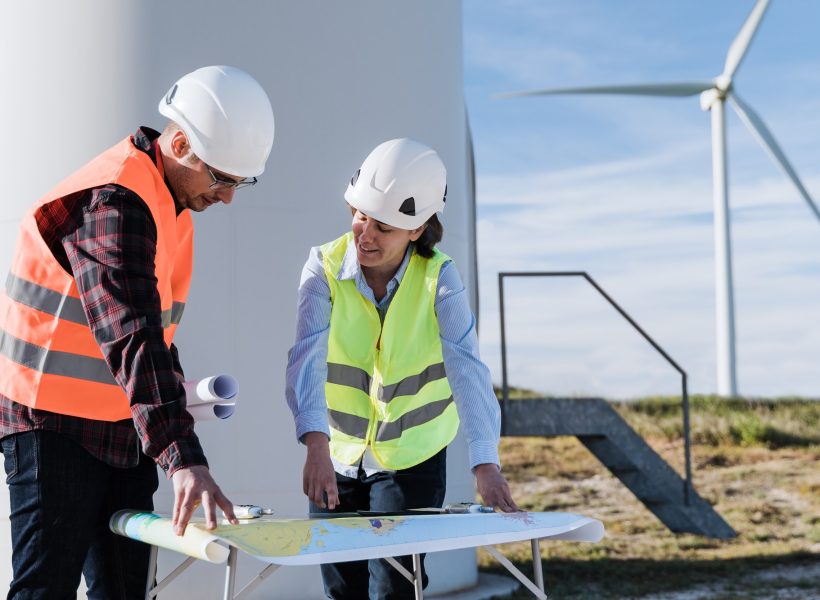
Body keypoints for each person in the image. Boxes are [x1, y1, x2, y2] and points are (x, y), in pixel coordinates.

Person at [0, 65, 275, 599]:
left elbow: (158, 337)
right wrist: (183, 455)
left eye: (240, 183)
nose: (228, 198)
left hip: (120, 429)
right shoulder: (114, 201)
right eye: (222, 179)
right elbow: (131, 333)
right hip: (50, 426)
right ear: (179, 143)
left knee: (126, 590)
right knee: (44, 590)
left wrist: (174, 415)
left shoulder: (169, 208)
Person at [286, 138, 519, 599]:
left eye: (384, 226)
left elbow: (467, 368)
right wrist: (315, 443)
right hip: (337, 452)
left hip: (412, 457)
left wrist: (485, 462)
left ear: (416, 230)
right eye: (360, 216)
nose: (365, 234)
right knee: (340, 589)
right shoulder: (323, 268)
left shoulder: (440, 277)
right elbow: (305, 358)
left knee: (393, 588)